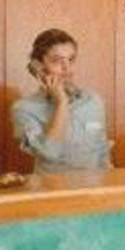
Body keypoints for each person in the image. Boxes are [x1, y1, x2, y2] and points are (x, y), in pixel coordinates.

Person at [11, 28, 112, 174]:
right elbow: (49, 153)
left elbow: (102, 152)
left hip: (95, 186)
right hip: (51, 187)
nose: (67, 68)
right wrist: (61, 103)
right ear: (38, 66)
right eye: (56, 60)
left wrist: (109, 183)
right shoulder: (24, 109)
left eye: (71, 59)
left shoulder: (93, 101)